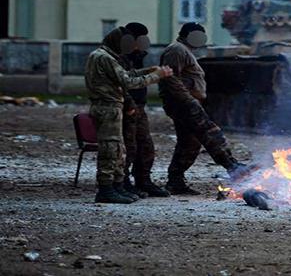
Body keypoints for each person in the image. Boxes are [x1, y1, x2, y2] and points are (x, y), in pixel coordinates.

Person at [85, 26, 172, 204]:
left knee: (118, 149)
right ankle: (106, 189)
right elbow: (128, 82)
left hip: (111, 107)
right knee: (110, 149)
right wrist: (156, 76)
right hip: (107, 107)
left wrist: (148, 71)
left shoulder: (106, 56)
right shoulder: (104, 57)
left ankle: (116, 187)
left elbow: (125, 75)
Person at [159, 23, 246, 195]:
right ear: (187, 35)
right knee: (209, 132)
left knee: (189, 143)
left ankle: (175, 181)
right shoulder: (177, 50)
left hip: (186, 101)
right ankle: (232, 166)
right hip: (183, 102)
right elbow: (171, 78)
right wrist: (188, 99)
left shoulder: (183, 50)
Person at [119, 22, 170, 198]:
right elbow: (124, 82)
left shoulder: (135, 55)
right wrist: (129, 104)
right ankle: (122, 181)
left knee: (145, 146)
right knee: (128, 147)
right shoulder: (119, 56)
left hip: (139, 106)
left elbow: (136, 73)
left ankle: (143, 180)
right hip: (127, 107)